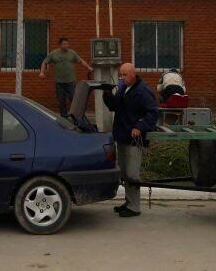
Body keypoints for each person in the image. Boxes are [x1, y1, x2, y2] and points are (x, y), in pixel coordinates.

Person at [102, 62, 159, 218]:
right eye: (121, 75)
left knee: (132, 173)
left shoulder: (143, 91)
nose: (122, 78)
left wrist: (140, 126)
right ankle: (129, 202)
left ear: (133, 74)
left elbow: (153, 113)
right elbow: (114, 106)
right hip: (122, 136)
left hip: (134, 139)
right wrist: (107, 93)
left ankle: (134, 207)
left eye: (125, 75)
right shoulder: (123, 88)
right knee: (125, 172)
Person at [40, 37, 93, 117]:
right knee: (61, 101)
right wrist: (42, 72)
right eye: (64, 44)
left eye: (67, 44)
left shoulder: (72, 53)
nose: (67, 45)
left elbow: (81, 61)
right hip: (59, 83)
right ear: (60, 45)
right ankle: (64, 117)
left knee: (74, 99)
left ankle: (76, 116)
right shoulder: (54, 54)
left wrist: (88, 67)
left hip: (70, 82)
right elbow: (44, 62)